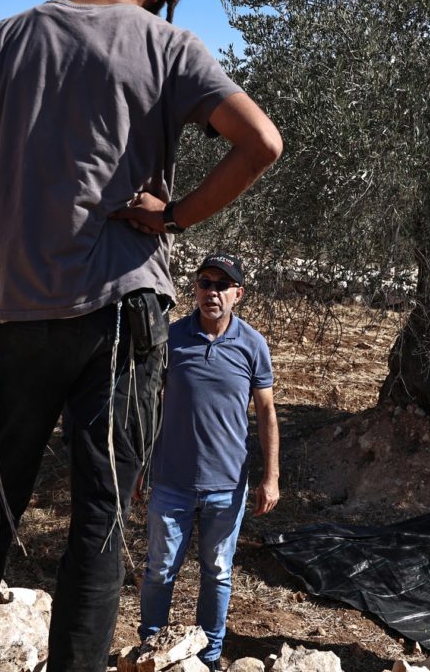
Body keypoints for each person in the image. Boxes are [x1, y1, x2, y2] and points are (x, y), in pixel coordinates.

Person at [0, 0, 282, 672]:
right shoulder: (168, 45)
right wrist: (175, 217)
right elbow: (262, 143)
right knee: (99, 520)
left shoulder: (7, 37)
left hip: (19, 316)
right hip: (121, 316)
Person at [139, 253, 279, 668]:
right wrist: (138, 468)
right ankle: (150, 648)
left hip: (227, 486)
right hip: (171, 482)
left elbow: (267, 413)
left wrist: (271, 477)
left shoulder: (252, 345)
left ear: (238, 293)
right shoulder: (171, 336)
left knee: (217, 573)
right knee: (159, 571)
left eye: (221, 284)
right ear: (195, 289)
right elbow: (149, 403)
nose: (211, 291)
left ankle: (210, 655)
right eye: (204, 282)